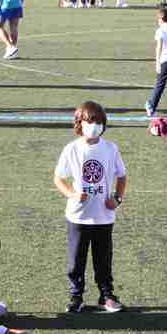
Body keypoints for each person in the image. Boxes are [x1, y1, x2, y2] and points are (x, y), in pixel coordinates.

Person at [54, 101, 127, 314]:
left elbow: (122, 176)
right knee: (76, 261)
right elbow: (58, 178)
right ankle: (76, 296)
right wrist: (72, 194)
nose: (94, 126)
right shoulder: (71, 149)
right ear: (80, 123)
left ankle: (106, 295)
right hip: (78, 216)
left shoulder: (111, 148)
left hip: (103, 216)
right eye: (90, 121)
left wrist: (117, 198)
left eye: (99, 122)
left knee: (103, 260)